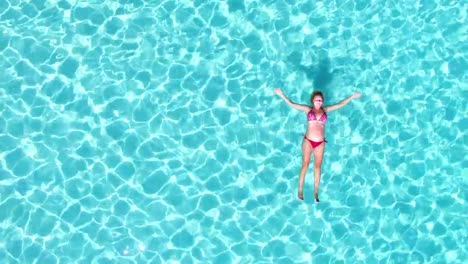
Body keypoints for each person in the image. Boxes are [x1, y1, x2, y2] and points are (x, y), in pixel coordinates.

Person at [274, 88, 362, 202]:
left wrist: (351, 97)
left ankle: (316, 192)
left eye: (320, 100)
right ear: (312, 101)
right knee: (305, 165)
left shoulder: (326, 110)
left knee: (317, 167)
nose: (319, 102)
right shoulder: (308, 109)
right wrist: (282, 95)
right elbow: (292, 104)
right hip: (308, 141)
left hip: (320, 143)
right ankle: (300, 190)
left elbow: (340, 104)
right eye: (317, 100)